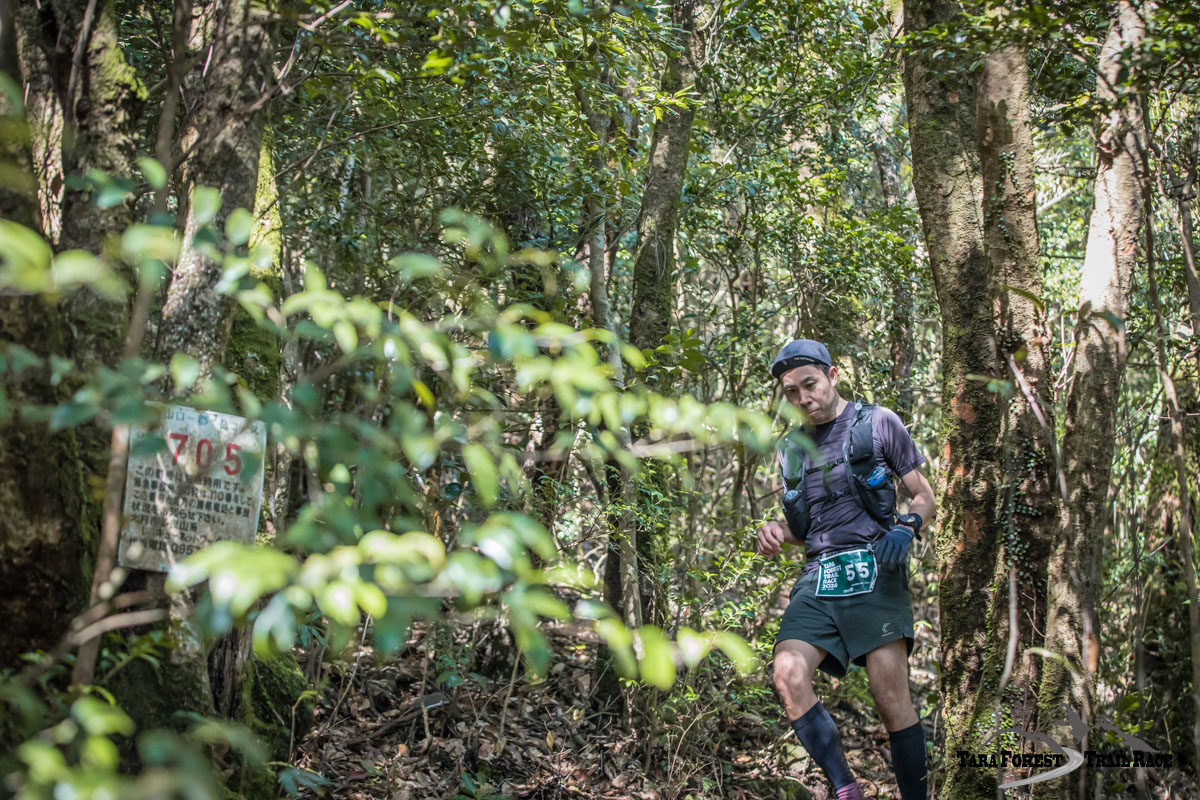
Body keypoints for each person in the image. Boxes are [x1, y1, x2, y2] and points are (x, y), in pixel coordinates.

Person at [757, 339, 934, 800]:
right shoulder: (790, 448)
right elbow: (808, 529)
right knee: (788, 674)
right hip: (820, 574)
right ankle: (846, 789)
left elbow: (924, 495)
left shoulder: (878, 423)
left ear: (832, 376)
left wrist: (908, 527)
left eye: (810, 384)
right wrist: (776, 530)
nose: (803, 398)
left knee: (890, 698)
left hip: (877, 565)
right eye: (791, 392)